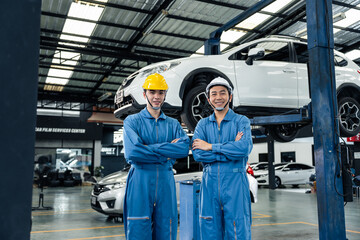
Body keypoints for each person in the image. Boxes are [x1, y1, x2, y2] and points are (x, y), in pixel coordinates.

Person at [122, 73, 190, 240]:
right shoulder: (132, 121)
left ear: (165, 95)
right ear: (145, 94)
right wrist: (166, 152)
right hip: (140, 178)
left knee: (166, 226)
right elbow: (133, 152)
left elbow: (182, 149)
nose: (157, 97)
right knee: (138, 226)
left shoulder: (173, 124)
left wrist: (148, 148)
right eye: (152, 92)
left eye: (161, 92)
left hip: (165, 180)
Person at [192, 77, 253, 240]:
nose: (218, 97)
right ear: (208, 99)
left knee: (238, 228)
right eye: (214, 94)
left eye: (222, 93)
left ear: (230, 96)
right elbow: (198, 153)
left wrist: (211, 146)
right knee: (209, 228)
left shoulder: (241, 121)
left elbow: (244, 148)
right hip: (209, 182)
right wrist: (231, 147)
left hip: (236, 182)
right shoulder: (202, 125)